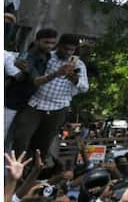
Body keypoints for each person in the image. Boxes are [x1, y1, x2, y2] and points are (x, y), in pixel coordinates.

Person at [12, 33, 89, 162]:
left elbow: (85, 88)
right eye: (65, 49)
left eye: (71, 50)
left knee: (43, 144)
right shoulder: (47, 57)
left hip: (58, 107)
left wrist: (75, 79)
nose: (68, 52)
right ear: (59, 46)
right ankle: (14, 169)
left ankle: (32, 174)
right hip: (35, 103)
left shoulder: (79, 65)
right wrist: (57, 73)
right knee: (22, 138)